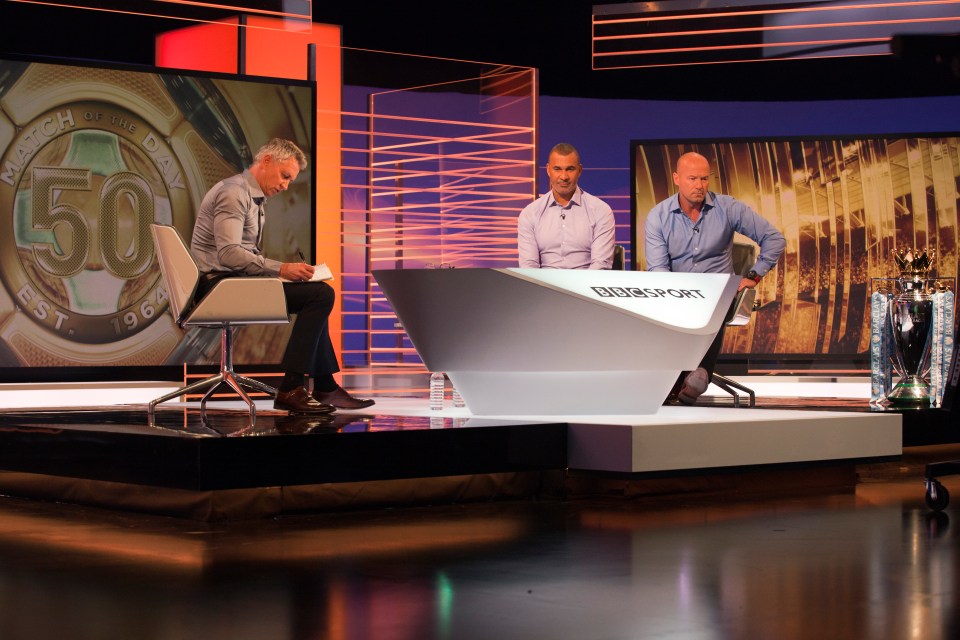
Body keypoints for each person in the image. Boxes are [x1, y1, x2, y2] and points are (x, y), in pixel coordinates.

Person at [191, 138, 375, 414]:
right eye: (284, 176)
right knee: (320, 295)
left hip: (232, 282)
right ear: (266, 162)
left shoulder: (251, 196)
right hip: (219, 287)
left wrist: (283, 274)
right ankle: (291, 387)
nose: (286, 185)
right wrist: (281, 269)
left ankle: (324, 386)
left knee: (315, 295)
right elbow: (229, 254)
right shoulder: (234, 193)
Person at [645, 151, 786, 405]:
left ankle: (700, 373)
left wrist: (752, 276)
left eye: (704, 179)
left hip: (718, 294)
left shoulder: (727, 208)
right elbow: (657, 270)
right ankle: (687, 375)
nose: (699, 185)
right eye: (692, 179)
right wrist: (676, 295)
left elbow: (774, 239)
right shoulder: (659, 216)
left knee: (715, 300)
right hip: (677, 296)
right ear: (676, 178)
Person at [517, 143, 615, 269]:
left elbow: (600, 265)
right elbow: (529, 266)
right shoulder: (530, 213)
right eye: (557, 169)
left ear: (579, 170)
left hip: (583, 287)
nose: (564, 176)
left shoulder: (601, 211)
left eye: (570, 169)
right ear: (548, 170)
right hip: (542, 287)